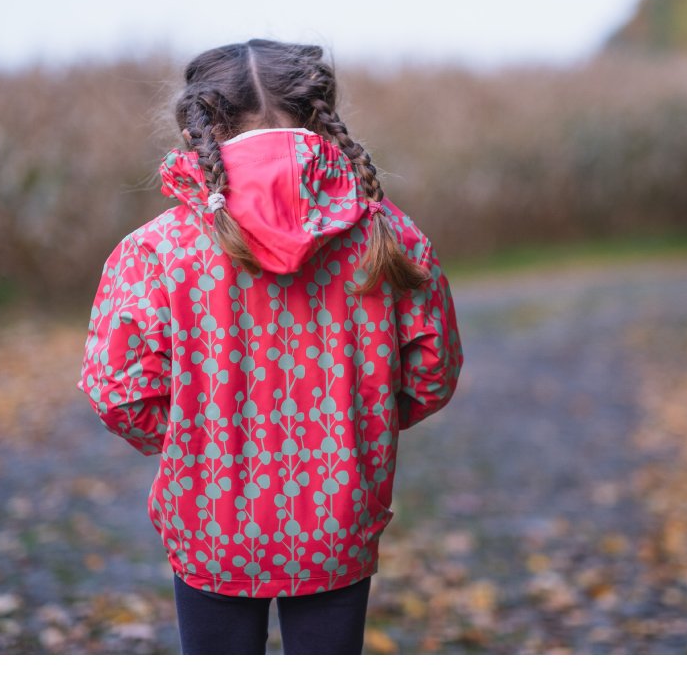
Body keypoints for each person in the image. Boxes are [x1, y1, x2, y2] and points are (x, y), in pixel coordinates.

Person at [77, 39, 463, 654]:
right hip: (338, 523)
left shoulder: (155, 250)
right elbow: (432, 373)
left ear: (201, 121)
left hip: (211, 526)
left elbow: (118, 392)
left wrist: (195, 437)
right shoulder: (388, 235)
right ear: (318, 114)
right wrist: (360, 426)